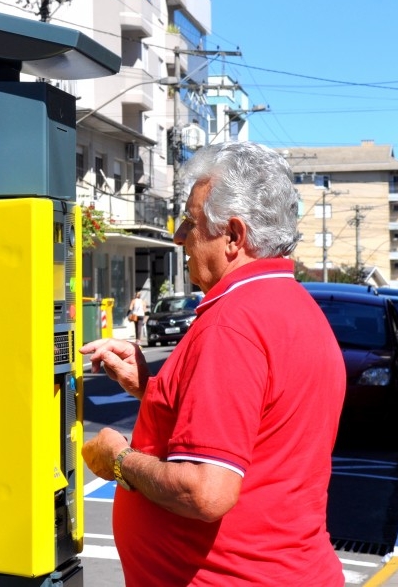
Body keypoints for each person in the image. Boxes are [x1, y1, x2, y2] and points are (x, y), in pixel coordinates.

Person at [81, 141, 347, 586]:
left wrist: (119, 460)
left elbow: (206, 493)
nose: (179, 236)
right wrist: (154, 388)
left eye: (191, 221)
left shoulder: (232, 323)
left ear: (234, 237)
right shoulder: (292, 305)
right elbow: (254, 416)